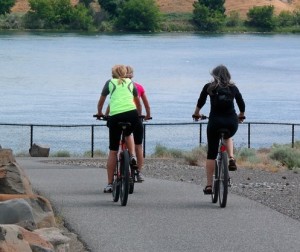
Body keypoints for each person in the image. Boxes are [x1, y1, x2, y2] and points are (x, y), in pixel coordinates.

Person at [192, 65, 245, 195]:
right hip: (231, 122)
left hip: (215, 122)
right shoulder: (233, 88)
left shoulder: (209, 87)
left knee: (211, 154)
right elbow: (241, 103)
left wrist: (196, 113)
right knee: (228, 136)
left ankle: (209, 186)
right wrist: (241, 114)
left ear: (214, 75)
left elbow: (201, 101)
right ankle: (231, 157)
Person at [97, 64, 142, 193]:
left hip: (115, 116)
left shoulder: (109, 83)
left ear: (113, 73)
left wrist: (100, 112)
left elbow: (101, 101)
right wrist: (138, 114)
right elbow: (137, 103)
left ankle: (110, 184)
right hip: (132, 115)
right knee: (128, 134)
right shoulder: (130, 83)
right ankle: (132, 156)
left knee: (113, 150)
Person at [126, 65, 151, 182]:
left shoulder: (120, 86)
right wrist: (147, 115)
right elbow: (146, 104)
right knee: (138, 146)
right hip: (136, 117)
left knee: (122, 139)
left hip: (122, 116)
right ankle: (138, 173)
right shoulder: (139, 87)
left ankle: (121, 162)